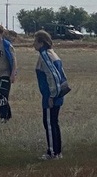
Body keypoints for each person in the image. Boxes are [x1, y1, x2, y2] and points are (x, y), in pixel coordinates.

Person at [34, 29, 67, 160]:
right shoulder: (53, 54)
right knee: (54, 122)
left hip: (51, 96)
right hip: (58, 94)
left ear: (41, 43)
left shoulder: (45, 56)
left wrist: (52, 96)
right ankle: (57, 151)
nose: (33, 44)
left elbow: (52, 76)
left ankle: (52, 153)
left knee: (48, 123)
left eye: (35, 41)